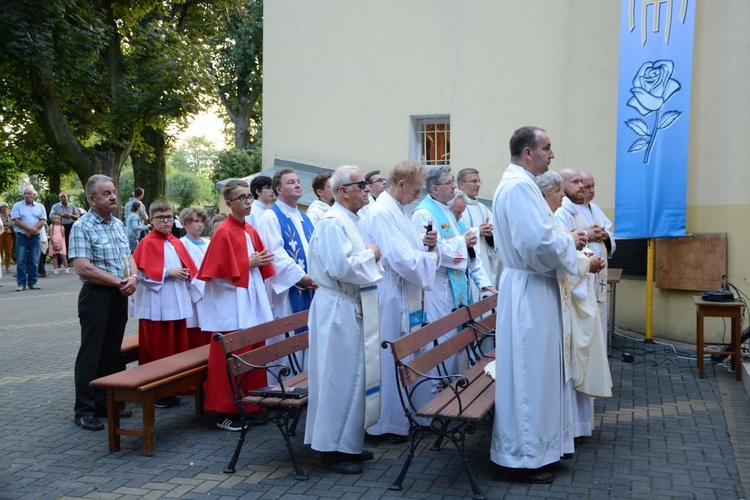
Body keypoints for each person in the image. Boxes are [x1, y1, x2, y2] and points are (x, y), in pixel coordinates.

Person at [489, 126, 584, 484]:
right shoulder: (518, 187)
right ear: (528, 152)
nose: (552, 154)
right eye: (546, 147)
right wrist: (569, 242)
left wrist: (563, 239)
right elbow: (537, 244)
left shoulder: (522, 185)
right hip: (530, 288)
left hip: (534, 286)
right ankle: (525, 456)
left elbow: (540, 238)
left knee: (542, 372)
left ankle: (544, 448)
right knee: (530, 373)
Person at [304, 166, 383, 475]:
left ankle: (347, 443)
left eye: (366, 183)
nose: (366, 188)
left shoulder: (352, 219)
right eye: (360, 184)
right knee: (338, 378)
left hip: (348, 304)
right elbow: (341, 267)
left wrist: (369, 254)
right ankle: (331, 449)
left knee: (354, 377)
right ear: (342, 192)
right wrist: (372, 254)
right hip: (336, 309)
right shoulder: (333, 223)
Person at [362, 160, 439, 443]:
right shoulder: (382, 212)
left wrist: (427, 243)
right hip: (390, 296)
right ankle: (386, 424)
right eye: (417, 190)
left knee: (407, 355)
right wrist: (428, 257)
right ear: (402, 184)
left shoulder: (400, 211)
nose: (418, 196)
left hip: (404, 294)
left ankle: (406, 414)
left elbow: (409, 248)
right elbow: (400, 258)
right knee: (390, 357)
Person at [197, 179, 276, 431]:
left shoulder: (249, 229)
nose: (247, 202)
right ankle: (223, 412)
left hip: (249, 302)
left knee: (251, 354)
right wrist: (247, 263)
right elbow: (216, 274)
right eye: (241, 198)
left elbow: (256, 263)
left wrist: (257, 262)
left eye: (249, 197)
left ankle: (251, 405)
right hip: (230, 306)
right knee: (228, 358)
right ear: (229, 203)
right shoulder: (223, 232)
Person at [538, 171, 610, 439]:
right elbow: (552, 257)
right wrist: (585, 260)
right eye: (576, 184)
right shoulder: (552, 214)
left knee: (580, 357)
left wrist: (586, 250)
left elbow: (564, 248)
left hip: (580, 293)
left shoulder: (554, 214)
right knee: (572, 360)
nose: (582, 188)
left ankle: (579, 423)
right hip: (563, 298)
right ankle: (572, 426)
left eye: (586, 184)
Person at [69, 174, 138, 431]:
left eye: (114, 192)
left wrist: (133, 277)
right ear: (92, 198)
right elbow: (83, 268)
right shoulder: (82, 226)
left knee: (111, 352)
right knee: (91, 353)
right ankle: (84, 410)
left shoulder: (118, 224)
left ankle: (103, 403)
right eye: (107, 193)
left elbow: (129, 255)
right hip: (96, 296)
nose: (113, 197)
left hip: (119, 294)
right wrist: (119, 282)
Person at [413, 167, 493, 376]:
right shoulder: (424, 213)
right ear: (435, 188)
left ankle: (453, 384)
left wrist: (483, 282)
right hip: (438, 289)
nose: (454, 186)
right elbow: (429, 252)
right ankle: (437, 392)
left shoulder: (447, 211)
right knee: (442, 342)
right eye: (449, 183)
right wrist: (463, 241)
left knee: (454, 345)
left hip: (454, 287)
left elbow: (470, 254)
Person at [132, 200, 198, 408]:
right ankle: (157, 391)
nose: (166, 221)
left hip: (177, 299)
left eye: (169, 217)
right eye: (160, 217)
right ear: (151, 220)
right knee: (158, 346)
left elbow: (190, 269)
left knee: (176, 345)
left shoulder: (175, 241)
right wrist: (168, 273)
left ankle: (174, 385)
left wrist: (186, 274)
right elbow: (140, 274)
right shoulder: (147, 242)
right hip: (156, 303)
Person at [257, 168, 317, 370]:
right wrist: (302, 277)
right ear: (278, 189)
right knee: (287, 338)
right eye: (291, 182)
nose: (298, 184)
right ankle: (285, 385)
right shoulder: (270, 217)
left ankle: (308, 379)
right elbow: (274, 254)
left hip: (310, 288)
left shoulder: (304, 217)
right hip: (288, 291)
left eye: (298, 181)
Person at [579, 171, 616, 347]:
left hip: (598, 278)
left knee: (599, 318)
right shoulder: (565, 210)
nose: (592, 190)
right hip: (582, 279)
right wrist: (588, 235)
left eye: (593, 186)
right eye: (587, 187)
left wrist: (605, 236)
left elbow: (609, 232)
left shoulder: (596, 209)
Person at [457, 168, 499, 289]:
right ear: (461, 184)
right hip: (468, 266)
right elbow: (455, 236)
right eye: (474, 181)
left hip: (486, 264)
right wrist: (477, 231)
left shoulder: (484, 209)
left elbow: (496, 241)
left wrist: (490, 234)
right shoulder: (456, 208)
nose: (478, 185)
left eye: (479, 181)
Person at [179, 207, 210, 349]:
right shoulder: (181, 244)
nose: (199, 225)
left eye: (202, 221)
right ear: (185, 223)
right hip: (193, 294)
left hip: (210, 292)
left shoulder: (208, 243)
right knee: (195, 334)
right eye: (195, 221)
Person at [11, 186, 47, 291]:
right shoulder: (17, 205)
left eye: (28, 193)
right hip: (21, 236)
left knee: (34, 260)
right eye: (25, 193)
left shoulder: (40, 206)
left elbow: (43, 220)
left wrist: (33, 230)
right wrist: (28, 229)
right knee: (21, 260)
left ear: (33, 195)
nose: (26, 195)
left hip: (35, 236)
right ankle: (21, 284)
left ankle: (33, 282)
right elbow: (15, 220)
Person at [50, 192, 79, 266]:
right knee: (59, 242)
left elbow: (78, 217)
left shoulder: (72, 206)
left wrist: (71, 215)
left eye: (64, 197)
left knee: (69, 243)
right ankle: (59, 262)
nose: (63, 198)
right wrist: (60, 216)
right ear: (59, 198)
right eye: (61, 197)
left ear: (67, 197)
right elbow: (51, 216)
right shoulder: (55, 206)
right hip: (59, 227)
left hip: (70, 226)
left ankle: (68, 261)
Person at [0, 202, 13, 274]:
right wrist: (7, 224)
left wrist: (3, 224)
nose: (4, 209)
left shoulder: (11, 215)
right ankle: (0, 266)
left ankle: (8, 266)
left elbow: (13, 223)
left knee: (8, 251)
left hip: (9, 233)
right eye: (3, 207)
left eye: (6, 207)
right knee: (0, 250)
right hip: (1, 234)